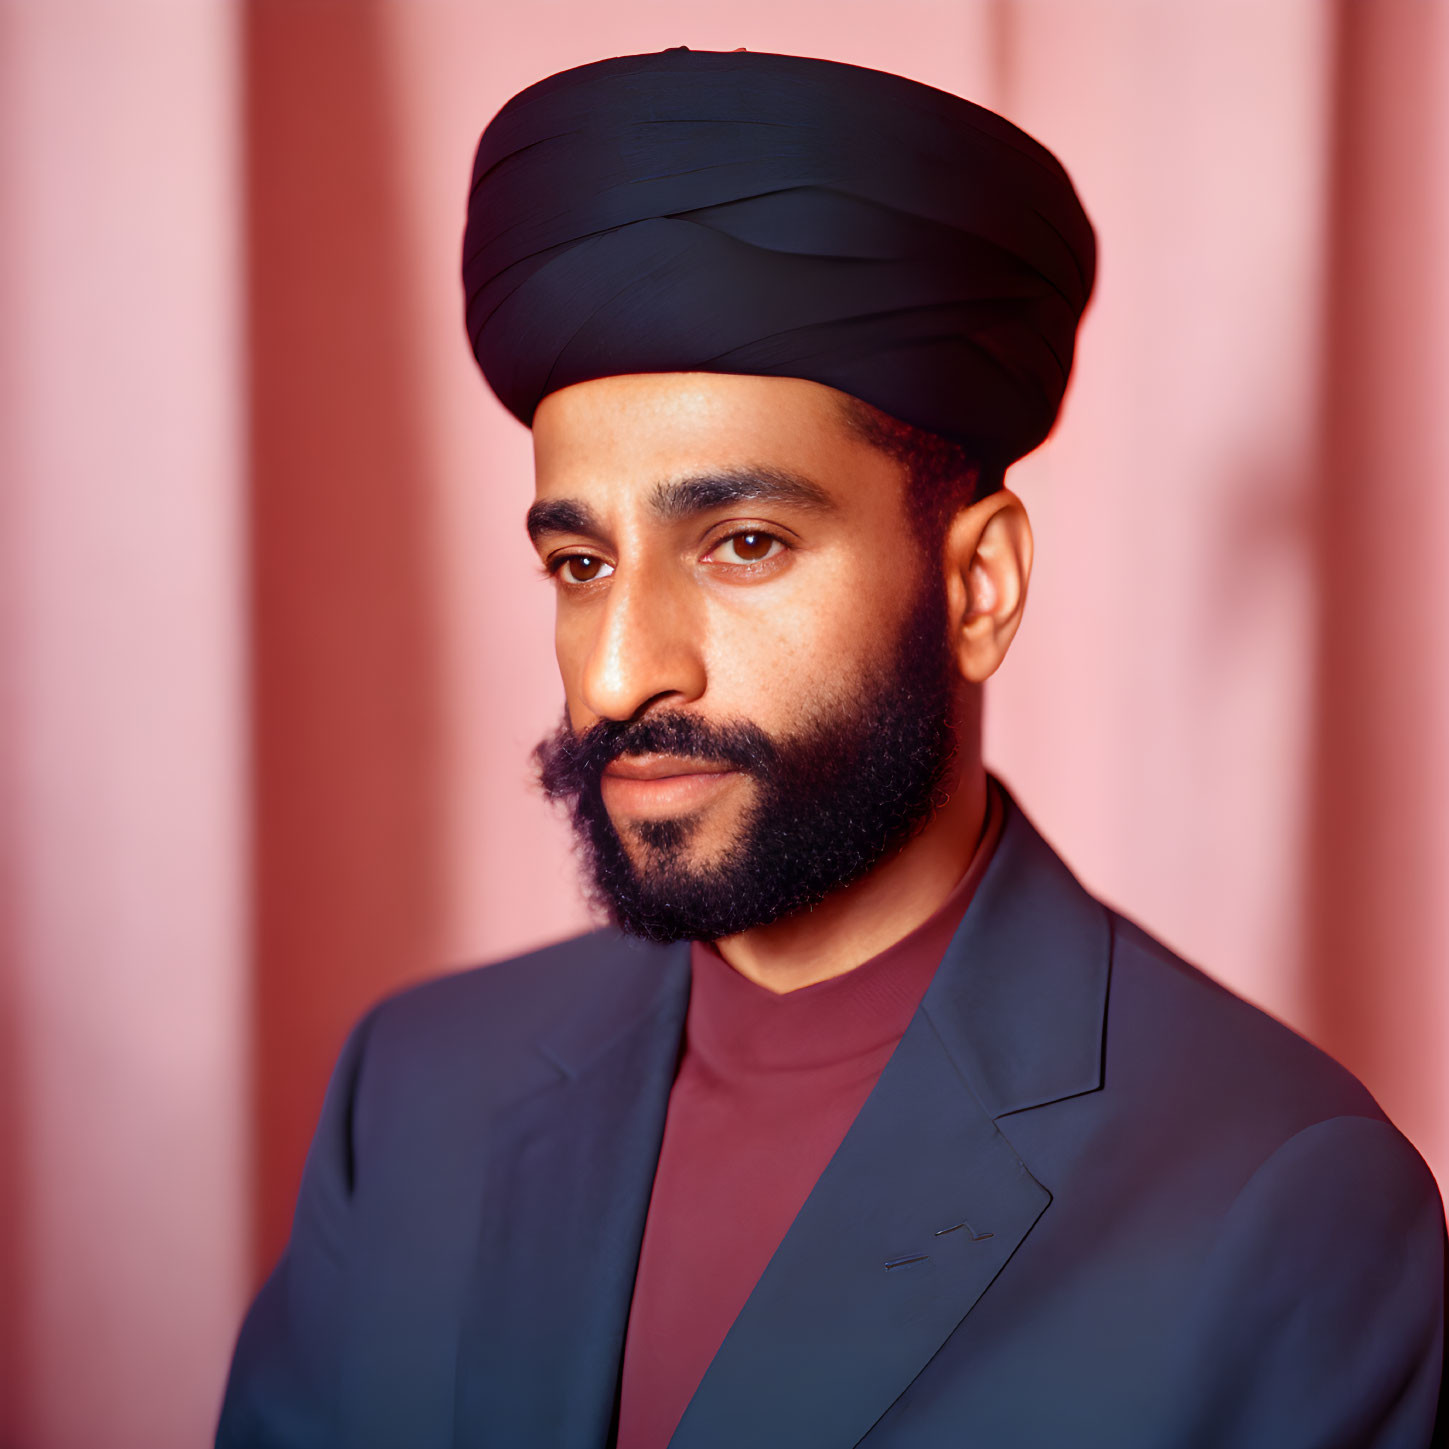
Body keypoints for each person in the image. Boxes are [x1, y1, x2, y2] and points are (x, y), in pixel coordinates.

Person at [216, 47, 1448, 1448]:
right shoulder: (416, 1091)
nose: (621, 671)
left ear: (976, 585)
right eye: (577, 562)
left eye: (741, 544)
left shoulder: (1276, 1198)